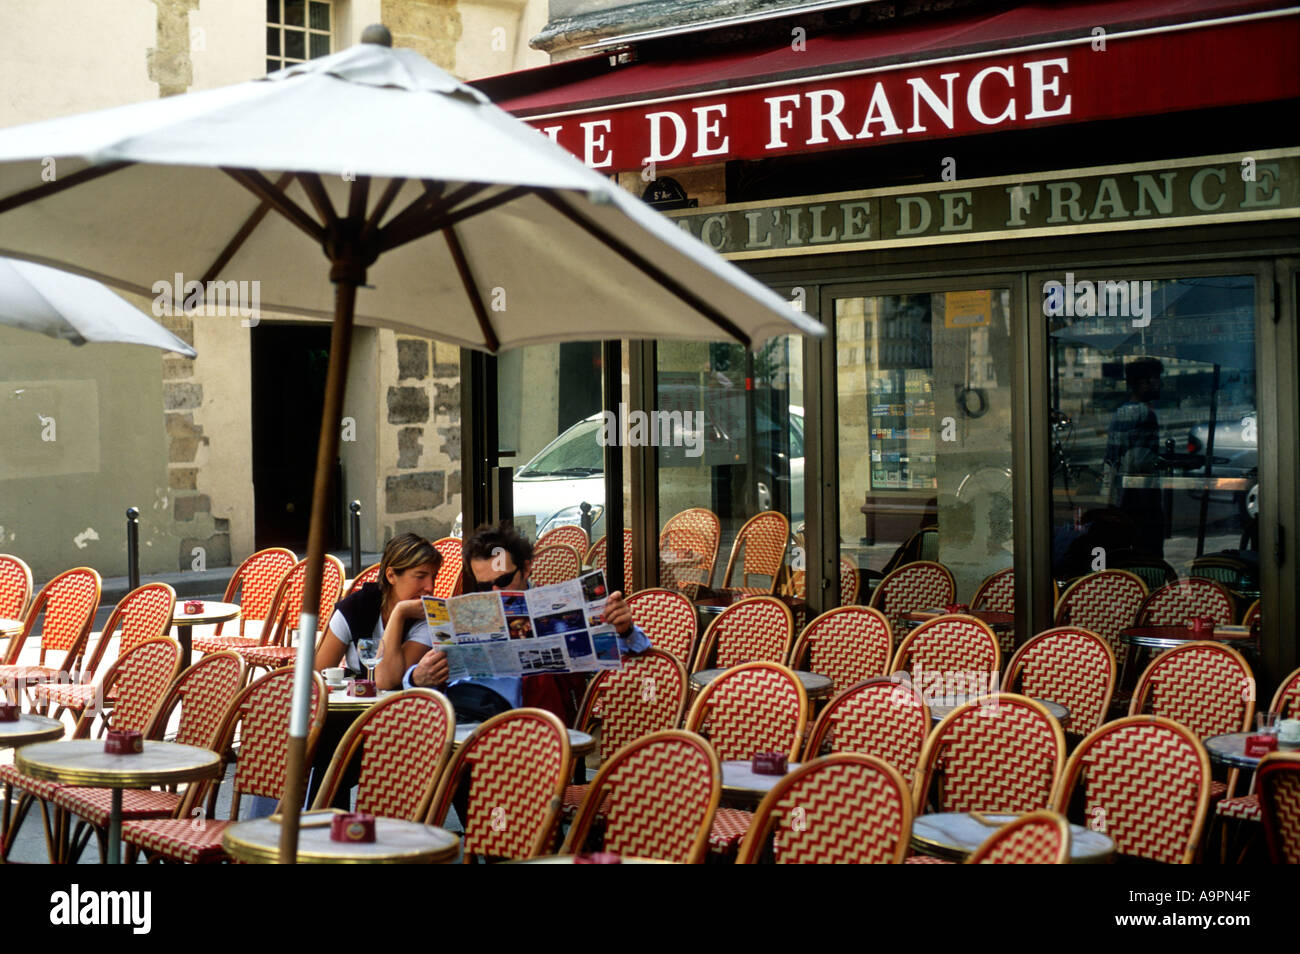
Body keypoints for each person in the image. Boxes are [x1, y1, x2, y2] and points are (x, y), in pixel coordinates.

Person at [399, 521, 651, 723]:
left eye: (504, 580)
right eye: (485, 586)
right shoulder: (466, 615)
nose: (495, 591)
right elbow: (417, 675)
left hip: (521, 732)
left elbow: (630, 651)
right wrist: (417, 677)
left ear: (527, 568)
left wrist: (624, 628)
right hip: (456, 713)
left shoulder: (558, 611)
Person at [317, 531, 442, 690]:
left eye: (434, 577)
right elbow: (318, 675)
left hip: (400, 708)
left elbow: (386, 681)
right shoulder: (354, 608)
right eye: (420, 576)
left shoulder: (425, 618)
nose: (430, 587)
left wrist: (399, 614)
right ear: (391, 576)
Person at [1104, 357, 1166, 557]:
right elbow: (1143, 461)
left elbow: (1112, 456)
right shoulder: (1145, 415)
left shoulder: (1120, 412)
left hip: (1122, 496)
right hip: (1142, 496)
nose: (1160, 383)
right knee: (1149, 552)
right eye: (1156, 379)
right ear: (1142, 383)